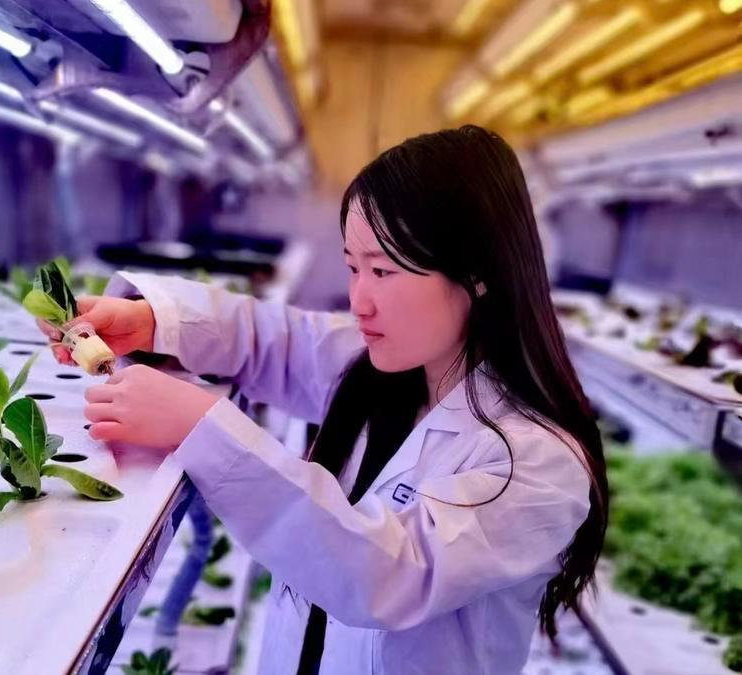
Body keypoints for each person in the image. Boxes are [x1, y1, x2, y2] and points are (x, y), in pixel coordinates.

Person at [40, 125, 608, 675]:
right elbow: (273, 338)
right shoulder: (391, 367)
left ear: (478, 273)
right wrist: (151, 321)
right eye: (353, 267)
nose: (360, 300)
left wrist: (205, 429)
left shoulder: (539, 464)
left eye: (382, 270)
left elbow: (390, 573)